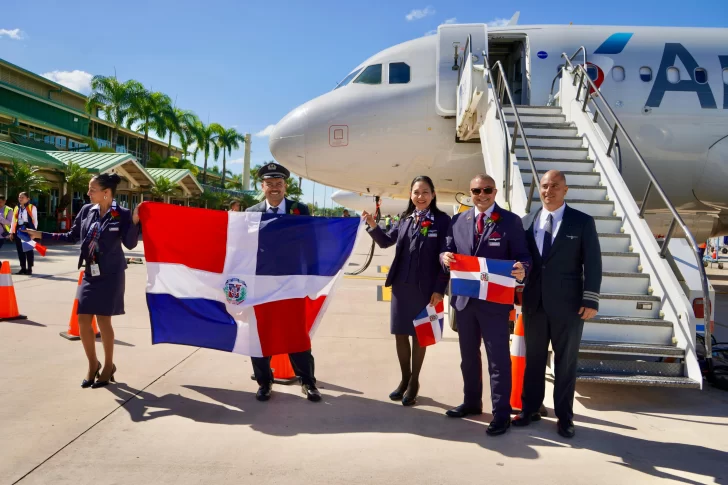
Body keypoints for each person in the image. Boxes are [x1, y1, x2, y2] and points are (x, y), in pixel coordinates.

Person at [26, 174, 141, 389]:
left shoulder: (122, 214)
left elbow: (130, 244)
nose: (88, 194)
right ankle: (92, 363)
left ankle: (108, 366)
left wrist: (134, 222)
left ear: (106, 192)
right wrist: (39, 234)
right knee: (82, 320)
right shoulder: (87, 211)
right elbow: (71, 236)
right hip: (90, 272)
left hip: (111, 275)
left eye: (92, 189)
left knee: (104, 321)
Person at [513, 170, 601, 438]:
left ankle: (564, 417)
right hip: (534, 304)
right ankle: (531, 409)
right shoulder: (527, 221)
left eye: (554, 186)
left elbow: (593, 263)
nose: (548, 190)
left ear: (565, 189)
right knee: (534, 361)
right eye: (544, 186)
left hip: (569, 306)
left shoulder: (582, 222)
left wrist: (591, 299)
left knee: (565, 363)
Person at [440, 174, 531, 437]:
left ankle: (501, 413)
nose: (481, 195)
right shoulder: (459, 220)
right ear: (470, 193)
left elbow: (524, 256)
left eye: (487, 190)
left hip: (494, 303)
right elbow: (447, 249)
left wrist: (523, 269)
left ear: (495, 191)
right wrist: (443, 256)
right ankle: (471, 402)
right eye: (476, 191)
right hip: (465, 301)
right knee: (468, 357)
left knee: (498, 360)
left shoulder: (510, 222)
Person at [362, 176, 451, 406]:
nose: (420, 197)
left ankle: (414, 382)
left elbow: (446, 257)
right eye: (416, 192)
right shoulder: (404, 219)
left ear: (433, 195)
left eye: (425, 192)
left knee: (419, 335)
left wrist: (440, 289)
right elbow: (385, 242)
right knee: (400, 334)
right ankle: (404, 379)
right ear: (410, 195)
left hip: (425, 290)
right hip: (402, 286)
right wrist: (373, 226)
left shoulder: (442, 221)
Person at [245, 162, 321, 402]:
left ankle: (308, 382)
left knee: (296, 333)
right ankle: (264, 382)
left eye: (279, 184)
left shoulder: (301, 210)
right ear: (262, 186)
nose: (274, 188)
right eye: (270, 184)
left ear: (285, 186)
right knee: (260, 335)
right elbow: (244, 250)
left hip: (292, 282)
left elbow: (310, 245)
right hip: (261, 284)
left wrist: (312, 277)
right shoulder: (251, 212)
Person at [8, 192, 39, 275]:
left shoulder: (32, 207)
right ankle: (23, 268)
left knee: (28, 249)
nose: (20, 199)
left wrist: (34, 233)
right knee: (20, 250)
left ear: (28, 199)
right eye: (19, 197)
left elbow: (35, 221)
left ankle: (29, 268)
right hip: (19, 229)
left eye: (22, 197)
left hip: (28, 229)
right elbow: (13, 221)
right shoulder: (16, 208)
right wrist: (11, 232)